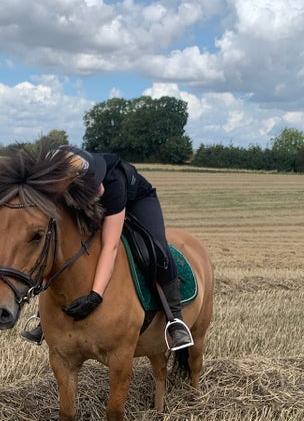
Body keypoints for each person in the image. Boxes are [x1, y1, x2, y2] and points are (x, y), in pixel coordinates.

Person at [22, 147, 193, 351]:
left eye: (96, 182)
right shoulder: (56, 183)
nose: (99, 189)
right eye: (92, 186)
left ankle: (175, 320)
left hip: (137, 200)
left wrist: (96, 295)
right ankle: (43, 319)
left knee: (156, 251)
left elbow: (110, 247)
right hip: (82, 201)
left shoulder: (111, 186)